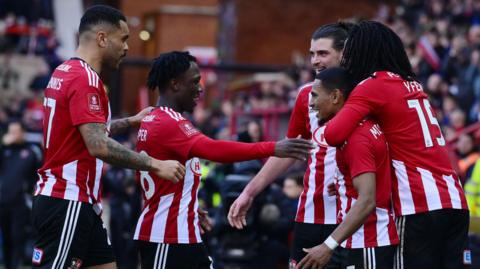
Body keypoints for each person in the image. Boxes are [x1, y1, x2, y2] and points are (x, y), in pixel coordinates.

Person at [32, 5, 185, 269]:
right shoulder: (86, 80)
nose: (127, 48)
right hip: (67, 200)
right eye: (123, 39)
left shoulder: (64, 71)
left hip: (80, 203)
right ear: (102, 38)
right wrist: (156, 165)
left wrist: (131, 121)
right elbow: (98, 145)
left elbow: (83, 131)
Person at [134, 51, 313, 269]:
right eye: (194, 82)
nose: (200, 89)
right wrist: (274, 147)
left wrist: (187, 205)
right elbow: (214, 149)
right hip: (166, 237)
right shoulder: (169, 122)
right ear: (175, 84)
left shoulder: (155, 118)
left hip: (180, 233)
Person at [324, 21, 469, 269]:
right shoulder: (413, 84)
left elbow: (333, 134)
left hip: (418, 204)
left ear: (363, 50)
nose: (347, 58)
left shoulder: (372, 85)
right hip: (455, 201)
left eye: (350, 51)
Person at [227, 22, 353, 268]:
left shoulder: (366, 92)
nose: (315, 61)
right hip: (311, 214)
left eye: (323, 53)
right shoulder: (307, 94)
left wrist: (350, 181)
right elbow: (290, 150)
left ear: (344, 53)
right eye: (312, 54)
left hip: (355, 217)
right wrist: (250, 191)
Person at [297, 67, 398, 268]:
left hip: (370, 240)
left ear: (335, 96)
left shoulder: (355, 137)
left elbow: (367, 199)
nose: (311, 103)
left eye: (315, 96)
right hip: (364, 240)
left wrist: (328, 245)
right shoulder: (363, 125)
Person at [0, 120, 42, 269]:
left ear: (23, 132)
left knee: (18, 237)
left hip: (21, 202)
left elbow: (40, 174)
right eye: (11, 132)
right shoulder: (5, 151)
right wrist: (3, 144)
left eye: (16, 131)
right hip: (3, 201)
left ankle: (16, 265)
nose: (13, 135)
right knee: (7, 238)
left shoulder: (32, 151)